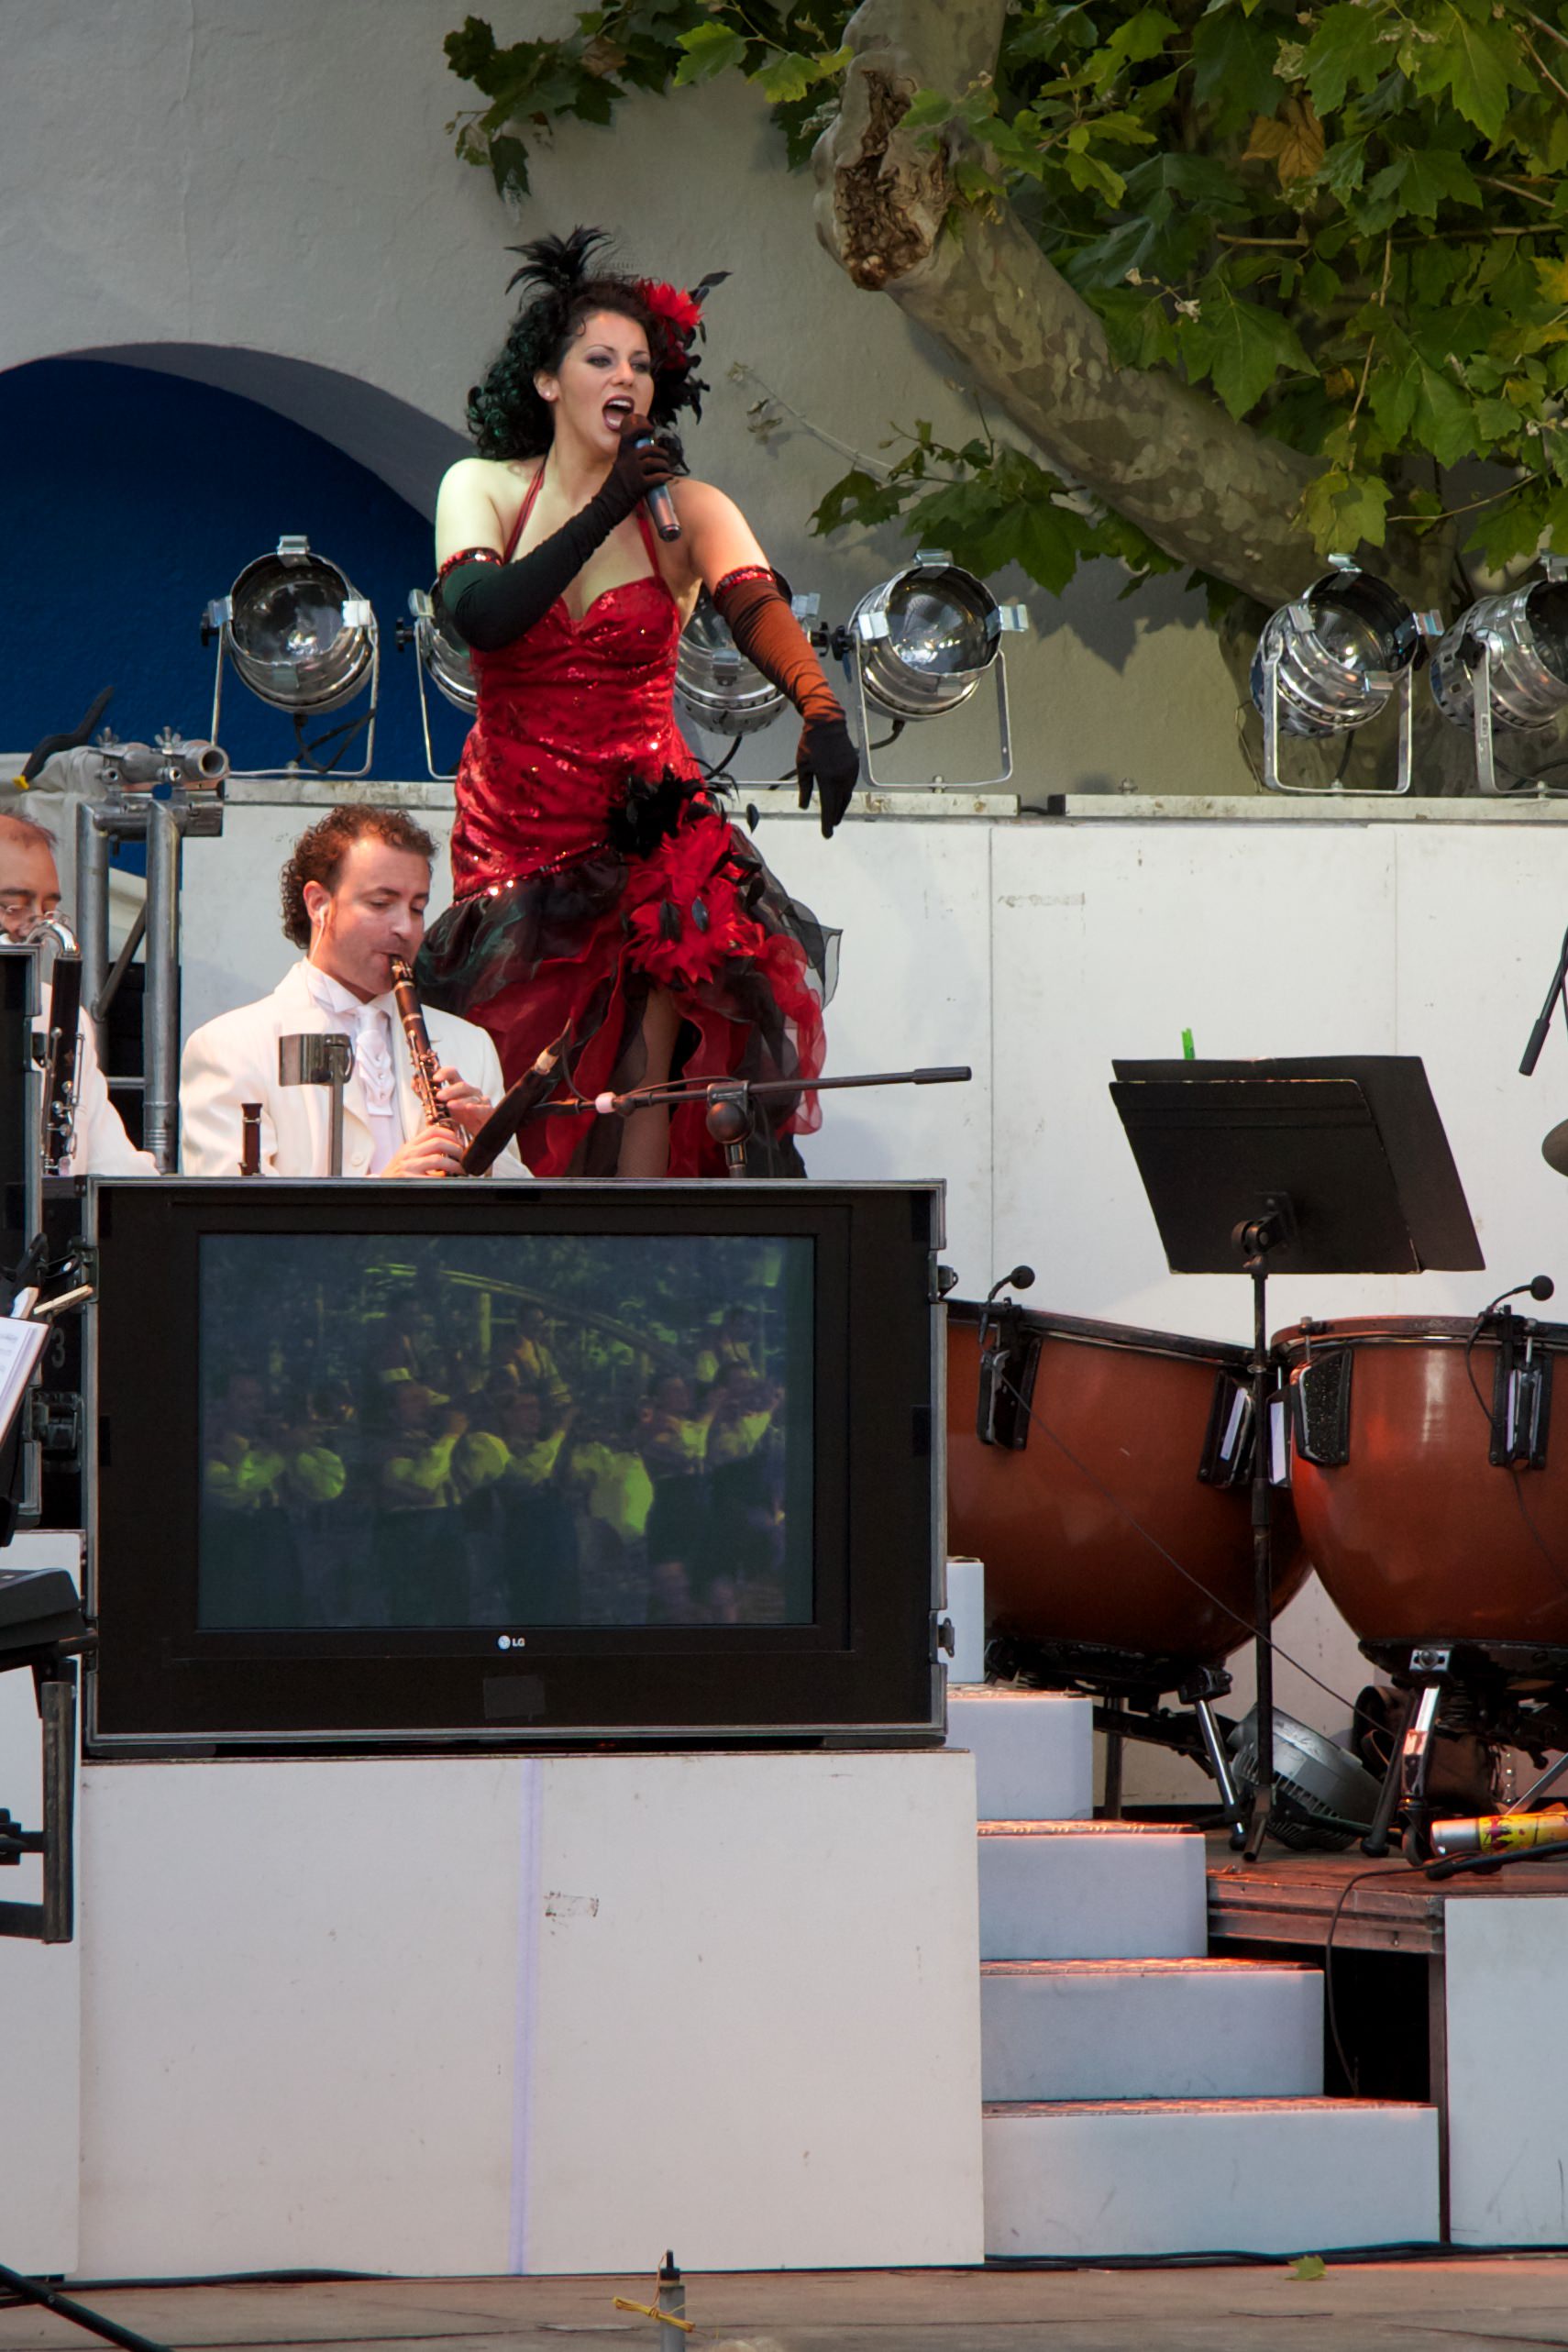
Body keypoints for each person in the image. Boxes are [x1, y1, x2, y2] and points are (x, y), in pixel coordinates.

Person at [416, 226, 855, 1179]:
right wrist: (606, 505)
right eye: (601, 359)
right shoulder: (481, 486)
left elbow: (754, 603)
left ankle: (643, 1240)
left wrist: (821, 709)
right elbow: (482, 615)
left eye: (643, 365)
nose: (627, 377)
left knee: (650, 1066)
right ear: (547, 381)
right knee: (529, 1084)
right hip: (516, 835)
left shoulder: (683, 508)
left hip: (648, 826)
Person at [180, 804, 525, 1178]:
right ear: (319, 904)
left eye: (417, 908)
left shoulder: (471, 1046)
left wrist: (486, 1156)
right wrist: (381, 1195)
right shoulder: (229, 1048)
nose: (406, 928)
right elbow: (228, 1210)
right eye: (381, 904)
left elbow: (523, 1207)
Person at [0, 809, 158, 1174]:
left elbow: (113, 1167)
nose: (36, 926)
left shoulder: (62, 1013)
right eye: (14, 906)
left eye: (49, 908)